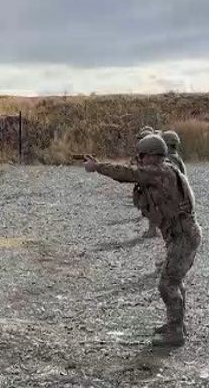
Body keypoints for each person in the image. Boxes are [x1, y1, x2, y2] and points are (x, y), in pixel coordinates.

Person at [84, 134, 201, 347]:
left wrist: (97, 167)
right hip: (180, 234)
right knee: (174, 280)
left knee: (167, 283)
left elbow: (127, 173)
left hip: (183, 236)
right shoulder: (163, 170)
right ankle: (176, 324)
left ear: (152, 156)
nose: (140, 160)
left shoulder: (159, 171)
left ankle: (176, 332)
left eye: (142, 156)